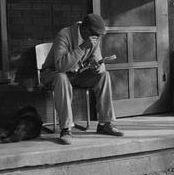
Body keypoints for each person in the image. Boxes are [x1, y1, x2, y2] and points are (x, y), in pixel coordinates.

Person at [40, 14, 124, 145]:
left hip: (75, 75)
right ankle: (66, 129)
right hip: (53, 74)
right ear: (85, 30)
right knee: (62, 78)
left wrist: (97, 67)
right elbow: (60, 66)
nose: (98, 38)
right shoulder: (64, 34)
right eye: (96, 34)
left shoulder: (94, 38)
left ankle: (105, 123)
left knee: (104, 76)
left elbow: (99, 63)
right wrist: (83, 47)